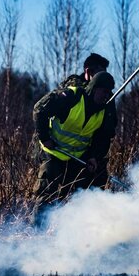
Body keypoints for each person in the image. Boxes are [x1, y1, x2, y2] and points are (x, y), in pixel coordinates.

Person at [32, 71, 117, 226]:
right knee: (46, 190)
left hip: (78, 157)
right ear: (94, 88)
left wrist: (94, 157)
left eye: (109, 92)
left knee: (87, 192)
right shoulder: (71, 97)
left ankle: (79, 231)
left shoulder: (105, 110)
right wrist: (45, 138)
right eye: (104, 91)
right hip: (54, 152)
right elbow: (39, 110)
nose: (106, 95)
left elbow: (103, 138)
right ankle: (36, 231)